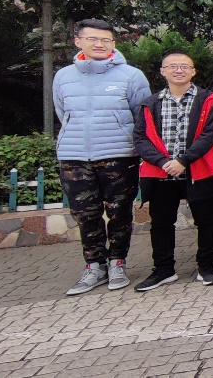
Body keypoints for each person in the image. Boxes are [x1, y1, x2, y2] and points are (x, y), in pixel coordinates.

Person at [54, 18, 152, 295]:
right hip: (74, 155)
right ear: (78, 42)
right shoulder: (63, 76)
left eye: (105, 40)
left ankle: (117, 261)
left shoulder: (131, 76)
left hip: (118, 155)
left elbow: (141, 116)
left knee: (119, 212)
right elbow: (62, 112)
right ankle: (94, 265)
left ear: (113, 43)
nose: (99, 44)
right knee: (85, 214)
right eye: (92, 39)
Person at [132, 51, 213, 291]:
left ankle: (207, 267)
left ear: (193, 71)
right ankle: (164, 269)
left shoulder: (208, 100)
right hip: (162, 172)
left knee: (207, 221)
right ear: (162, 71)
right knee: (161, 223)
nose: (179, 70)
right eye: (172, 66)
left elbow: (210, 134)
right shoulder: (150, 103)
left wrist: (183, 160)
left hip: (198, 169)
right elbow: (140, 138)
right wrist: (162, 161)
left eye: (184, 66)